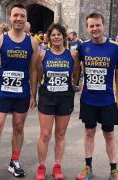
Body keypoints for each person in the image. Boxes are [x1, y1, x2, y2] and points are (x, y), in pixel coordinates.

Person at [0, 3, 38, 180]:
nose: (18, 18)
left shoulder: (33, 42)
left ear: (26, 19)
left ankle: (14, 162)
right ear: (10, 17)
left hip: (22, 93)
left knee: (19, 127)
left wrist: (33, 95)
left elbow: (33, 70)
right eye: (15, 15)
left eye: (22, 15)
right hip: (3, 92)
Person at [76, 12, 118, 180]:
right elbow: (77, 70)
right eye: (91, 26)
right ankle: (88, 167)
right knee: (89, 131)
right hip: (88, 99)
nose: (95, 29)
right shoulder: (83, 48)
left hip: (107, 100)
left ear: (103, 26)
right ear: (87, 28)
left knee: (109, 134)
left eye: (97, 25)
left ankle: (114, 169)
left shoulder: (115, 48)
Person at [36, 23, 80, 180]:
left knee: (60, 134)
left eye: (59, 34)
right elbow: (39, 75)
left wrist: (72, 87)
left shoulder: (72, 54)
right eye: (53, 35)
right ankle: (41, 166)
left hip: (65, 98)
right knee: (45, 134)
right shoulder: (42, 55)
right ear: (49, 38)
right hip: (47, 97)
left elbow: (76, 74)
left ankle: (57, 165)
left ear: (64, 37)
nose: (56, 37)